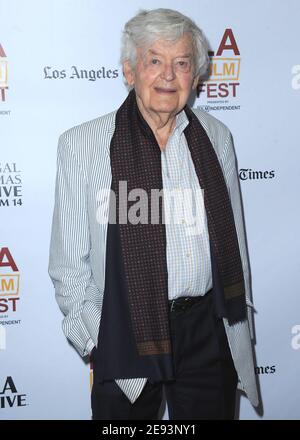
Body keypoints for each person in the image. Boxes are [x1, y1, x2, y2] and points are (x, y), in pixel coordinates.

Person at [48, 8, 259, 420]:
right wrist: (101, 339)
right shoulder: (82, 145)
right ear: (130, 71)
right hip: (124, 331)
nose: (168, 75)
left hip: (205, 330)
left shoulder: (216, 138)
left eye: (181, 63)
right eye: (155, 61)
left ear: (195, 76)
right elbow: (69, 268)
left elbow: (236, 247)